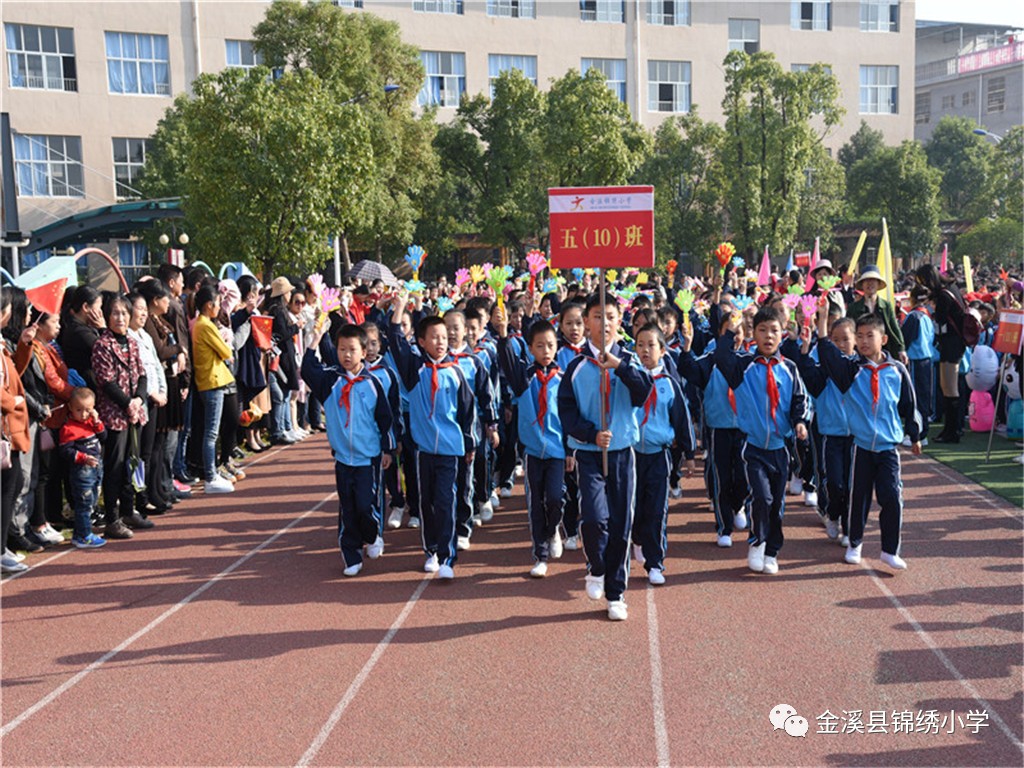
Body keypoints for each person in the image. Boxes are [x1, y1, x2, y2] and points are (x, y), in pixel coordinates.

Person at [558, 295, 652, 621]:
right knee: (595, 518)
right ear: (587, 322)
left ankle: (616, 593)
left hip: (623, 452)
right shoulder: (576, 365)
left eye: (610, 316)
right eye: (598, 316)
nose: (605, 323)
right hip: (589, 454)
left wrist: (621, 367)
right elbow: (566, 412)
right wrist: (589, 434)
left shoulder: (628, 360)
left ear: (619, 321)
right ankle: (595, 566)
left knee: (621, 524)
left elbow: (644, 392)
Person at [815, 311, 921, 571]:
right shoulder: (851, 370)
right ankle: (855, 543)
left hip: (887, 448)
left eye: (869, 336)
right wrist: (821, 323)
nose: (863, 342)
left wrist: (915, 435)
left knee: (891, 497)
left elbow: (909, 403)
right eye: (859, 336)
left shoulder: (897, 370)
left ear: (883, 339)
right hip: (860, 447)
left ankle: (889, 550)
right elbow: (828, 356)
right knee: (858, 498)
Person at [714, 305, 810, 575]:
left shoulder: (789, 368)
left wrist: (799, 422)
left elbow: (799, 401)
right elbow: (722, 357)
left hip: (780, 447)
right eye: (762, 330)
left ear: (783, 334)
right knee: (761, 497)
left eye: (774, 331)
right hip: (753, 446)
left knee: (777, 504)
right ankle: (756, 542)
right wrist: (732, 327)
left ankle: (771, 550)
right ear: (753, 334)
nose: (769, 336)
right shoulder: (743, 366)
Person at [388, 291, 477, 580]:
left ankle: (448, 557)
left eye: (444, 337)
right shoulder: (415, 370)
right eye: (434, 337)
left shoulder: (455, 372)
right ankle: (432, 551)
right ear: (422, 341)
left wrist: (469, 443)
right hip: (423, 450)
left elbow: (466, 410)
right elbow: (396, 341)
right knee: (426, 502)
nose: (440, 342)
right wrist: (400, 307)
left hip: (451, 450)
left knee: (445, 501)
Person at [302, 323, 395, 576]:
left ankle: (373, 535)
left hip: (369, 457)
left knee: (366, 505)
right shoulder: (331, 381)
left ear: (363, 352)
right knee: (348, 508)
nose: (346, 355)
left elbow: (385, 419)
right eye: (342, 349)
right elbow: (307, 369)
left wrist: (388, 449)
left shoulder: (373, 383)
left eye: (352, 349)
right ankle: (351, 555)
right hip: (343, 458)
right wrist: (317, 337)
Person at [496, 312, 567, 578]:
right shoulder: (525, 378)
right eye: (539, 345)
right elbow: (508, 362)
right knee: (535, 503)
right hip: (533, 452)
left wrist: (571, 450)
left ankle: (553, 531)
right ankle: (540, 554)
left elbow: (570, 417)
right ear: (530, 348)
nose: (546, 351)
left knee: (555, 498)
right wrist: (503, 336)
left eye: (550, 345)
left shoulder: (564, 379)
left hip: (559, 450)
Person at [678, 310, 749, 548]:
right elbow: (688, 369)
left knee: (744, 477)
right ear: (720, 334)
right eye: (730, 331)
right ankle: (723, 526)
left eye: (738, 331)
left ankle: (738, 505)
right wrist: (687, 349)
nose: (735, 336)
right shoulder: (709, 361)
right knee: (721, 477)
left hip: (746, 429)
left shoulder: (749, 361)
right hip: (718, 428)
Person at [631, 323, 694, 585]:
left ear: (663, 350)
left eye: (651, 345)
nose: (645, 350)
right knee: (633, 507)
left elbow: (682, 419)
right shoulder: (629, 378)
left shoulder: (670, 384)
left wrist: (689, 453)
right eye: (640, 345)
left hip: (659, 455)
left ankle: (655, 562)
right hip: (631, 455)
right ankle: (636, 540)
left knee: (657, 509)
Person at [793, 316, 856, 546]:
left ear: (855, 341)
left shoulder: (859, 369)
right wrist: (805, 350)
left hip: (855, 436)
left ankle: (850, 530)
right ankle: (832, 513)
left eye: (845, 339)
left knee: (852, 485)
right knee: (833, 482)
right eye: (835, 339)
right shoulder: (824, 373)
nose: (840, 344)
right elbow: (808, 375)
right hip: (829, 434)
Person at [92, 293, 150, 539]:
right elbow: (106, 382)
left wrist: (138, 399)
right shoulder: (102, 345)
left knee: (132, 463)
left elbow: (143, 374)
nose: (121, 318)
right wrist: (128, 403)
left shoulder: (132, 341)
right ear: (107, 316)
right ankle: (112, 518)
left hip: (135, 413)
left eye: (125, 313)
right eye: (115, 313)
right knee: (114, 467)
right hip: (115, 415)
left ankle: (129, 510)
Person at [445, 309, 496, 551]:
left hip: (469, 432)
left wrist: (491, 425)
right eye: (448, 328)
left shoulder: (473, 362)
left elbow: (487, 396)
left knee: (466, 480)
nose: (452, 333)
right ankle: (446, 527)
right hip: (443, 434)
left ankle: (464, 526)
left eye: (456, 327)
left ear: (466, 330)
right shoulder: (436, 363)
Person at [914, 264, 968, 443]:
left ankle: (952, 431)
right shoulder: (952, 289)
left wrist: (932, 310)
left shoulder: (944, 296)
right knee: (949, 388)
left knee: (949, 388)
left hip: (951, 344)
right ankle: (953, 429)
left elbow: (941, 322)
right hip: (954, 343)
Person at [127, 291, 170, 516]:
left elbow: (155, 365)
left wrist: (162, 390)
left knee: (150, 450)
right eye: (139, 309)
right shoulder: (128, 337)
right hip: (141, 401)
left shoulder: (144, 335)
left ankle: (148, 493)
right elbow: (138, 373)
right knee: (138, 454)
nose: (143, 313)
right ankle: (139, 497)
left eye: (145, 309)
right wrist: (152, 393)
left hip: (154, 400)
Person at [192, 285, 235, 494]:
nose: (219, 308)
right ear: (209, 306)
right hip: (212, 381)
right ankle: (210, 476)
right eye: (218, 304)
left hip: (211, 380)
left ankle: (212, 473)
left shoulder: (202, 324)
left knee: (211, 432)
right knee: (211, 433)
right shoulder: (205, 326)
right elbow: (226, 351)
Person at [1, 287, 32, 572]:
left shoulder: (2, 344)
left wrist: (24, 345)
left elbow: (14, 374)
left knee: (11, 487)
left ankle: (2, 548)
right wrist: (15, 401)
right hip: (4, 428)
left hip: (8, 429)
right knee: (7, 489)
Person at [58, 388, 107, 548]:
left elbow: (104, 437)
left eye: (88, 410)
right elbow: (65, 450)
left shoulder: (90, 423)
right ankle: (84, 535)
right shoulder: (68, 428)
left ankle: (80, 532)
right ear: (70, 408)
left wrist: (97, 421)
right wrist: (82, 458)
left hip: (96, 466)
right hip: (82, 470)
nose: (84, 414)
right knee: (84, 503)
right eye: (79, 410)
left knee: (92, 501)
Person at [900, 286, 937, 445]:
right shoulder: (927, 316)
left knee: (914, 397)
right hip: (927, 360)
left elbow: (904, 339)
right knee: (923, 396)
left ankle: (916, 433)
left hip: (915, 360)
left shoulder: (913, 317)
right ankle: (922, 432)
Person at [847, 265, 906, 363]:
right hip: (861, 352)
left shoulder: (886, 306)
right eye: (866, 280)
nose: (870, 284)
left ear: (878, 284)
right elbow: (849, 330)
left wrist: (901, 349)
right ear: (862, 285)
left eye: (873, 280)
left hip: (884, 351)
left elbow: (894, 328)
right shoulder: (853, 307)